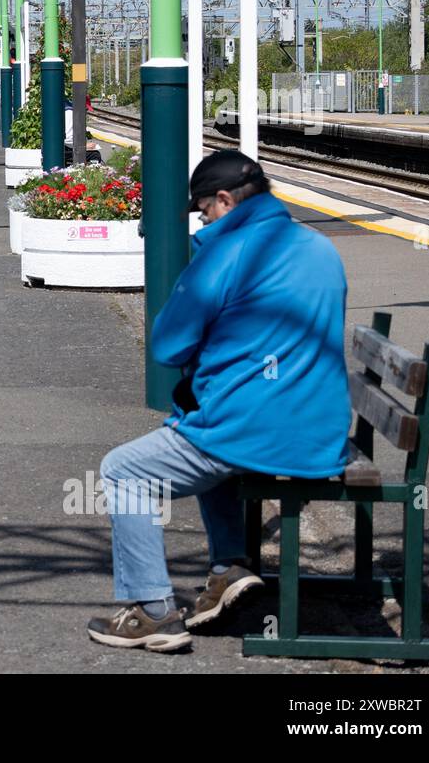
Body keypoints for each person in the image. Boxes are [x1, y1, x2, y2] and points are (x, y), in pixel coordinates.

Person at [86, 150, 351, 652]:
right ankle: (230, 566)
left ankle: (152, 611)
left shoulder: (228, 254)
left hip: (255, 432)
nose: (204, 218)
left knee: (125, 470)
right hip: (321, 434)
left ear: (225, 200)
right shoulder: (320, 247)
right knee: (202, 430)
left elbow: (168, 346)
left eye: (204, 209)